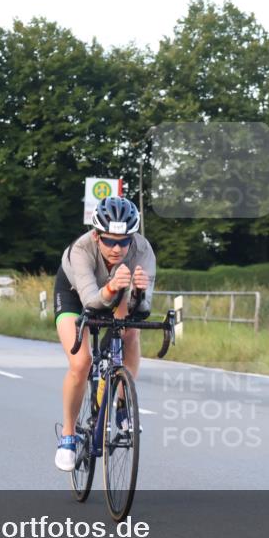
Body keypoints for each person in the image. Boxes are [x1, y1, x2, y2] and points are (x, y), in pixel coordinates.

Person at [53, 196, 155, 471]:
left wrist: (139, 293)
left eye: (124, 241)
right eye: (110, 241)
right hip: (76, 295)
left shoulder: (143, 251)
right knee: (81, 363)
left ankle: (121, 401)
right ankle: (69, 436)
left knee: (130, 332)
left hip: (117, 292)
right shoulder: (81, 250)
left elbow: (143, 309)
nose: (118, 248)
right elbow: (90, 302)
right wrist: (111, 289)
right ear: (97, 236)